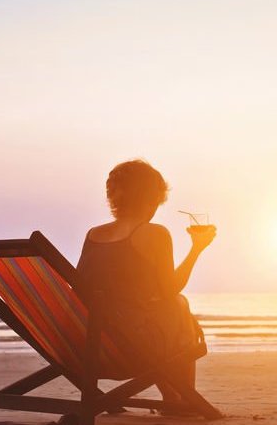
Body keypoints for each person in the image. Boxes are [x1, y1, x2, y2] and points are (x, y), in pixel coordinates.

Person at [76, 159, 216, 412]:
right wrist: (197, 248)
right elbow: (170, 289)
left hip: (87, 349)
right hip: (131, 350)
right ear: (152, 197)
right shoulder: (154, 233)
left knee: (166, 310)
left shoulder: (93, 235)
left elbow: (87, 289)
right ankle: (179, 400)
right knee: (177, 303)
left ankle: (174, 397)